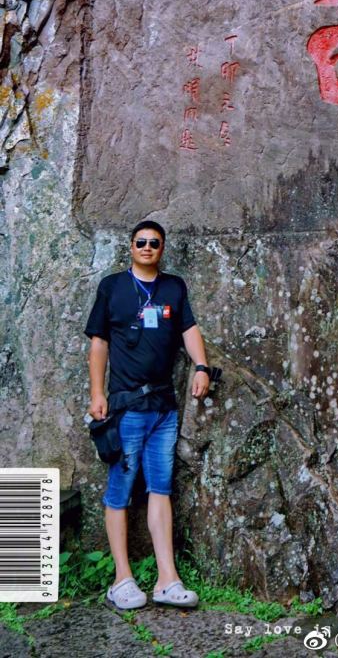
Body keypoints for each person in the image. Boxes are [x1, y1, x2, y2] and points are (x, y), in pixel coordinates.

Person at [85, 219, 211, 611]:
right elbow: (99, 343)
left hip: (163, 408)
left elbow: (188, 327)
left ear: (162, 248)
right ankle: (121, 579)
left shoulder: (173, 286)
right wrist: (97, 393)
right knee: (119, 490)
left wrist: (202, 367)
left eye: (154, 243)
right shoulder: (113, 287)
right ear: (130, 246)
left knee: (161, 488)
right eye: (140, 242)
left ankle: (166, 579)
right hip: (126, 408)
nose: (147, 247)